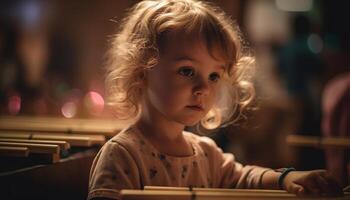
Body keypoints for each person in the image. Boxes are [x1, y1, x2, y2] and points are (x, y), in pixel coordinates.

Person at [88, 0, 342, 199]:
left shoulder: (205, 153)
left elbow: (243, 178)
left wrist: (285, 179)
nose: (203, 88)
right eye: (187, 71)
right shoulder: (122, 155)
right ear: (141, 71)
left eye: (213, 76)